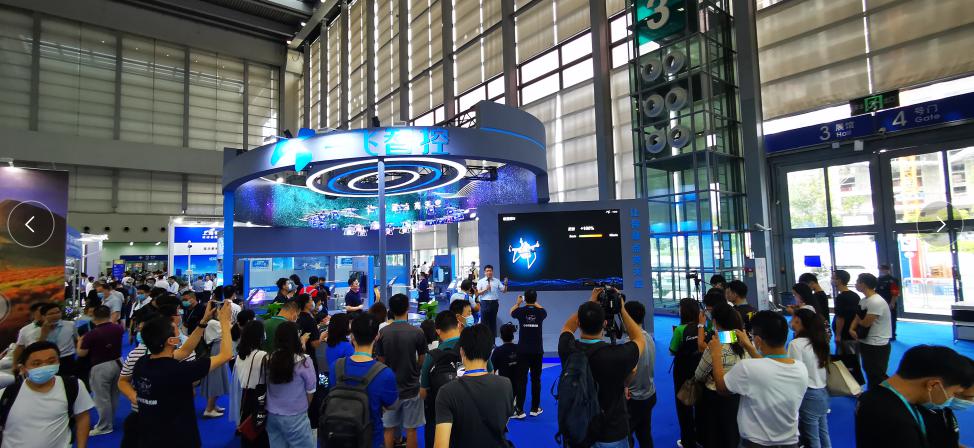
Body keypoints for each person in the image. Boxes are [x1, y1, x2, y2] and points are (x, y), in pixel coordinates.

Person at [122, 302, 233, 447]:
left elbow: (185, 351)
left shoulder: (142, 363)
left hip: (150, 433)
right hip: (178, 437)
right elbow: (226, 355)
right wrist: (224, 323)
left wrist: (203, 322)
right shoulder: (179, 371)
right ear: (171, 341)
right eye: (176, 332)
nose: (179, 334)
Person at [558, 287, 646, 447]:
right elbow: (639, 338)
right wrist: (621, 308)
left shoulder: (568, 348)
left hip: (578, 431)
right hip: (611, 433)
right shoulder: (618, 355)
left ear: (579, 323)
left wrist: (591, 302)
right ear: (605, 324)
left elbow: (567, 328)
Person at [712, 311, 808, 448]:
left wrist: (716, 354)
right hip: (791, 442)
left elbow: (722, 388)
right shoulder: (801, 368)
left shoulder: (747, 368)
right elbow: (770, 366)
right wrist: (749, 346)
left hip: (755, 443)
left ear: (758, 340)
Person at [856, 345, 974, 448]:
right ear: (933, 385)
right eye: (954, 393)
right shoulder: (892, 418)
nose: (951, 398)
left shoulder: (883, 398)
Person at [433, 324, 514, 448]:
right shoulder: (506, 384)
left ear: (462, 351)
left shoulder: (447, 392)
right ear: (490, 352)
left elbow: (440, 445)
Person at [1, 341, 95, 448]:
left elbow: (82, 418)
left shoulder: (72, 386)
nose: (44, 367)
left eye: (51, 361)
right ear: (23, 368)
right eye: (37, 363)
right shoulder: (7, 394)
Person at [328, 313, 399, 448]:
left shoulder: (336, 367)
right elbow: (393, 405)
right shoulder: (385, 373)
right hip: (370, 438)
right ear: (377, 336)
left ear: (352, 336)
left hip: (338, 435)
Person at [375, 293, 428, 448]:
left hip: (389, 389)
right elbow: (422, 359)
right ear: (407, 308)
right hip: (411, 387)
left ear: (390, 310)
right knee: (411, 430)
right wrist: (415, 370)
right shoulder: (417, 332)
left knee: (388, 428)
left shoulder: (383, 333)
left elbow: (381, 360)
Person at [694, 303, 747, 448]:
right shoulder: (743, 341)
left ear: (715, 321)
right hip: (739, 397)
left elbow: (699, 375)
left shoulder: (715, 345)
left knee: (714, 437)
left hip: (715, 399)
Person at [265, 321, 316, 448]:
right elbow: (310, 390)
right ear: (296, 338)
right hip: (296, 415)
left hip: (272, 414)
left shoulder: (268, 358)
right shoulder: (304, 361)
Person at [75, 305, 124, 436]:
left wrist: (79, 342)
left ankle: (104, 426)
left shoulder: (91, 334)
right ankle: (109, 421)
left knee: (102, 398)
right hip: (119, 363)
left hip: (100, 367)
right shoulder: (118, 328)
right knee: (114, 395)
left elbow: (82, 353)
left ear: (94, 317)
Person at [419, 311, 465, 448]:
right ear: (458, 324)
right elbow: (490, 372)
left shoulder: (432, 356)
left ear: (438, 331)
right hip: (468, 414)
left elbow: (423, 392)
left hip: (439, 415)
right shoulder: (472, 348)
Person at [788, 309, 832, 448]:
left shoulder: (796, 344)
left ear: (798, 321)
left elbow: (796, 373)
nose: (790, 322)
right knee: (823, 433)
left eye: (793, 318)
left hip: (808, 393)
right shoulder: (820, 341)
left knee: (811, 438)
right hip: (822, 391)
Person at [670, 298, 703, 448]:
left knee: (683, 406)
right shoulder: (703, 327)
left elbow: (672, 350)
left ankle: (688, 441)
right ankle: (701, 437)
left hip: (682, 372)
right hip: (700, 369)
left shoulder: (679, 330)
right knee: (701, 404)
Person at [851, 273, 893, 390]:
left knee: (877, 373)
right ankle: (873, 394)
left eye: (857, 282)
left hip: (877, 343)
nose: (856, 284)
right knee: (869, 370)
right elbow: (858, 316)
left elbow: (866, 322)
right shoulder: (864, 300)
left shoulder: (876, 301)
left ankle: (884, 395)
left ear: (863, 284)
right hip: (866, 340)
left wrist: (859, 320)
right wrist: (851, 329)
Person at [509, 288, 547, 418]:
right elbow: (542, 309)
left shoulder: (520, 311)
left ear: (525, 298)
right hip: (537, 351)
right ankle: (535, 409)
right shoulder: (541, 312)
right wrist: (534, 303)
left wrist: (518, 303)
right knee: (536, 380)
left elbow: (511, 311)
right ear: (536, 298)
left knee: (521, 380)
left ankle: (519, 410)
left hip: (523, 351)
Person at [14, 303, 79, 376]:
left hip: (67, 359)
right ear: (43, 316)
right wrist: (44, 333)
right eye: (51, 314)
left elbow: (76, 340)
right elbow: (35, 347)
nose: (55, 315)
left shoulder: (70, 325)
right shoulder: (36, 329)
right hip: (46, 360)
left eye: (58, 312)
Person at [624, 300, 656, 448]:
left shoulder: (629, 344)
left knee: (626, 437)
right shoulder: (649, 338)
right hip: (649, 395)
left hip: (633, 400)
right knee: (645, 434)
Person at [922, 360, 974, 448]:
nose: (971, 401)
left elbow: (946, 443)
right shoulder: (914, 416)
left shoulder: (944, 409)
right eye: (967, 397)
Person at [235, 319, 270, 448]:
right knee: (260, 433)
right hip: (259, 396)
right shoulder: (262, 355)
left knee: (248, 432)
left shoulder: (240, 355)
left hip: (245, 397)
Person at [832, 270, 866, 385]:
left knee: (844, 360)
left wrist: (838, 335)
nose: (832, 280)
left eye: (834, 278)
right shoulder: (855, 295)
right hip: (854, 332)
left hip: (845, 334)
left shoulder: (841, 298)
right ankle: (855, 382)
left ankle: (850, 384)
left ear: (839, 280)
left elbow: (840, 318)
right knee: (854, 358)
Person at [200, 301, 231, 418]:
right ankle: (209, 408)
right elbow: (229, 329)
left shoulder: (214, 322)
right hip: (217, 350)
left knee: (218, 379)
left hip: (219, 348)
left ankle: (212, 405)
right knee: (215, 380)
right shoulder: (213, 322)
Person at [490, 322, 520, 412]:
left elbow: (492, 370)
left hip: (504, 385)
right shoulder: (519, 348)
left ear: (501, 337)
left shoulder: (498, 351)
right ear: (513, 336)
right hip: (519, 383)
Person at [476, 265, 508, 339]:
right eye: (487, 271)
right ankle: (484, 341)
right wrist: (485, 289)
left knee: (493, 323)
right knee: (484, 323)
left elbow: (504, 291)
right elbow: (477, 293)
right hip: (484, 303)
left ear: (492, 271)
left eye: (490, 271)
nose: (489, 272)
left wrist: (506, 284)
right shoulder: (481, 281)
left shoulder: (497, 281)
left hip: (494, 303)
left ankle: (493, 342)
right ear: (484, 272)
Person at [876, 264, 902, 341]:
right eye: (880, 269)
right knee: (880, 318)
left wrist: (892, 302)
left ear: (887, 270)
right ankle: (882, 333)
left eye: (882, 269)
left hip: (889, 301)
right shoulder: (878, 279)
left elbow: (895, 292)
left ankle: (892, 335)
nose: (881, 271)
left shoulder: (893, 280)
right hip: (880, 302)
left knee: (891, 319)